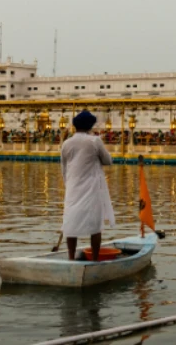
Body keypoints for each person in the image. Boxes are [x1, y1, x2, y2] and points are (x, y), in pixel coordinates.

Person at [60, 110, 115, 261]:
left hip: (72, 187)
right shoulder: (94, 141)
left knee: (70, 224)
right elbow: (107, 161)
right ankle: (95, 259)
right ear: (90, 126)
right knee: (95, 225)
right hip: (91, 188)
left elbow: (64, 169)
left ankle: (71, 258)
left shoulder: (66, 143)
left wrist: (69, 186)